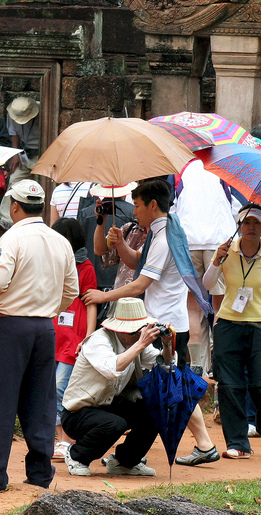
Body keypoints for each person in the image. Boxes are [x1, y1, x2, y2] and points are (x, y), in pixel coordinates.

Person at [83, 179, 219, 466]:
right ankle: (202, 445)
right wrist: (120, 244)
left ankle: (131, 455)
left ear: (152, 205)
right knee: (173, 386)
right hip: (165, 323)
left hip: (163, 327)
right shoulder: (163, 231)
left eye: (137, 205)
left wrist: (101, 295)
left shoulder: (164, 236)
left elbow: (140, 283)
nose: (134, 212)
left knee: (160, 392)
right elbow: (136, 265)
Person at [0, 179, 79, 492]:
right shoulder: (59, 241)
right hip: (44, 329)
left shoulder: (12, 238)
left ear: (14, 206)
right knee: (40, 400)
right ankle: (40, 474)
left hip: (10, 327)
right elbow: (72, 291)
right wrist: (47, 307)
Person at [203, 204, 261, 458]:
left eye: (257, 223)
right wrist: (216, 261)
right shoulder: (226, 250)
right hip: (228, 324)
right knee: (229, 385)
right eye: (247, 222)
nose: (251, 227)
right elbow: (208, 284)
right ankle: (238, 444)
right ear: (239, 226)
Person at [60, 298, 167, 477]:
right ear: (119, 328)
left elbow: (164, 366)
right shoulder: (98, 340)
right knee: (115, 424)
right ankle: (76, 456)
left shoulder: (134, 342)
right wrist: (140, 344)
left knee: (157, 408)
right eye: (134, 331)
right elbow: (112, 369)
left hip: (110, 404)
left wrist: (168, 345)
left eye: (141, 329)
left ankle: (125, 462)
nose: (138, 334)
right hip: (79, 412)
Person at [169, 159, 237, 372]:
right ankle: (217, 360)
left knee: (192, 306)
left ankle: (196, 363)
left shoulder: (182, 168)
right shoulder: (223, 167)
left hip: (189, 241)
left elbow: (174, 205)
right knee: (219, 305)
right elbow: (233, 204)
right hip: (218, 243)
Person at [50, 218, 98, 461]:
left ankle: (64, 440)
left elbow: (91, 303)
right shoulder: (54, 264)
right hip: (54, 337)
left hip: (74, 340)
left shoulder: (86, 267)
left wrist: (89, 337)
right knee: (51, 388)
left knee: (61, 388)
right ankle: (58, 438)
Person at [78, 183, 135, 291]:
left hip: (93, 275)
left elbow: (81, 243)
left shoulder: (87, 211)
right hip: (121, 277)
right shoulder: (133, 212)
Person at [0, 96, 42, 226]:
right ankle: (6, 219)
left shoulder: (43, 110)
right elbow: (13, 133)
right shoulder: (13, 112)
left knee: (41, 184)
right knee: (14, 182)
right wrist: (15, 154)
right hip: (23, 153)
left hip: (40, 152)